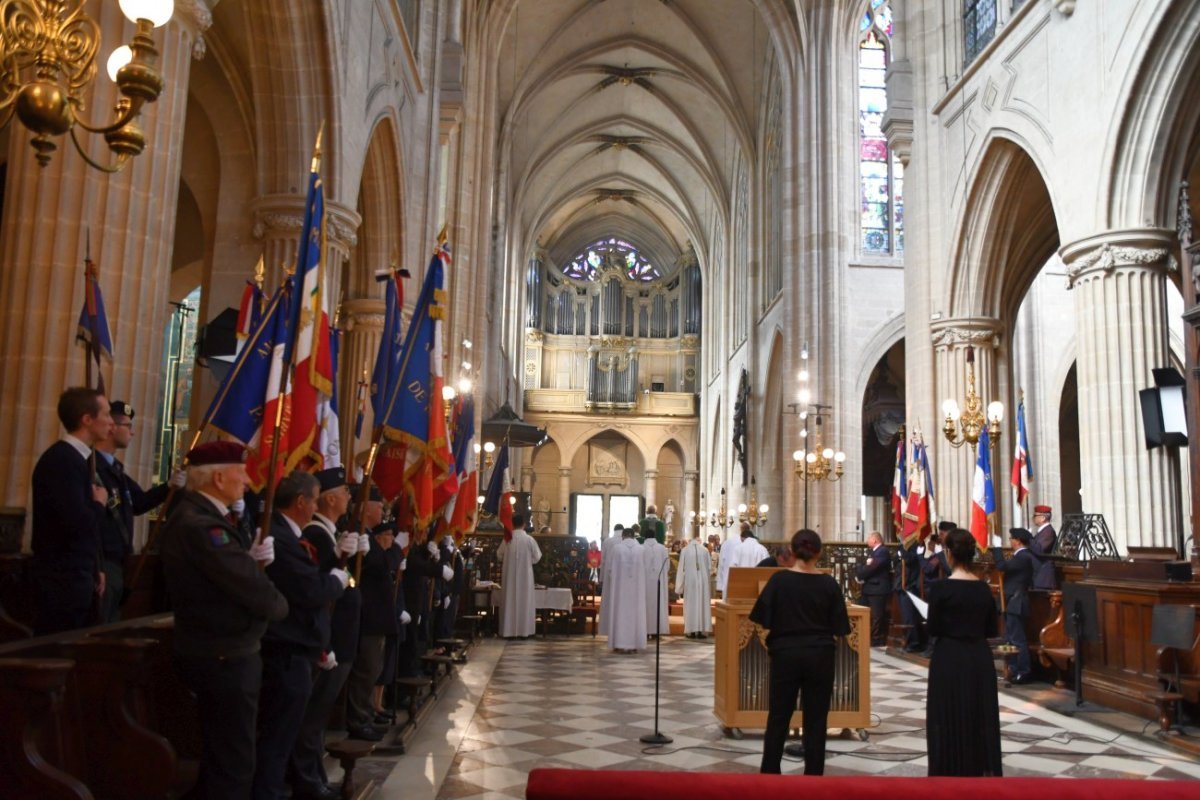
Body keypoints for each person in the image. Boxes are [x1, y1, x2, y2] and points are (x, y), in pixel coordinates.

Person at [160, 441, 287, 800]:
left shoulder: (205, 519)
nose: (247, 480)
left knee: (225, 759)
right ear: (218, 477)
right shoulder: (201, 525)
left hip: (225, 652)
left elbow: (228, 574)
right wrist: (274, 599)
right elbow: (255, 592)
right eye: (241, 472)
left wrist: (246, 560)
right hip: (223, 655)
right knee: (233, 764)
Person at [254, 471, 348, 800]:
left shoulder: (285, 535)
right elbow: (309, 587)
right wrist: (337, 579)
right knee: (277, 737)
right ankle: (271, 792)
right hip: (287, 649)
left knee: (283, 733)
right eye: (314, 499)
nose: (315, 505)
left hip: (298, 646)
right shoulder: (279, 536)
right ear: (300, 503)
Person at [290, 467, 366, 800]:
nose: (351, 497)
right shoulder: (317, 535)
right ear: (330, 498)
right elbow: (319, 590)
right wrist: (326, 645)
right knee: (311, 718)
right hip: (326, 639)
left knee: (317, 717)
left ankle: (314, 777)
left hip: (335, 636)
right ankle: (308, 781)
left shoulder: (327, 534)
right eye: (346, 492)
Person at [749, 529, 851, 775]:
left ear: (792, 552)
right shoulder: (829, 584)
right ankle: (813, 777)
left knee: (778, 717)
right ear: (820, 552)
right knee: (816, 720)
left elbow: (762, 619)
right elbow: (841, 627)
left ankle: (770, 774)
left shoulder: (779, 581)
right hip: (820, 656)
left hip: (785, 655)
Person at [30, 387, 113, 634]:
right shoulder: (62, 461)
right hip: (62, 580)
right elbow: (76, 522)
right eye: (107, 414)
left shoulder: (77, 460)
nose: (111, 421)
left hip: (79, 574)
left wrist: (95, 566)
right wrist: (99, 503)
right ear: (87, 420)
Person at [94, 400, 184, 623]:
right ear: (112, 427)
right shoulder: (92, 467)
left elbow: (139, 502)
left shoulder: (115, 469)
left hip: (119, 561)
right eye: (128, 426)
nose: (132, 432)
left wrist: (169, 486)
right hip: (101, 561)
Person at [926, 527, 1002, 776]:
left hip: (948, 656)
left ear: (949, 554)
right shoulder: (983, 589)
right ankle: (978, 770)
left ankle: (948, 770)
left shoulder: (940, 589)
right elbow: (991, 629)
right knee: (978, 716)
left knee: (947, 716)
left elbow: (933, 628)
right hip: (979, 657)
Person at [991, 527, 1036, 684]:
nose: (1010, 541)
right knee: (1010, 639)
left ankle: (1023, 671)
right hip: (1012, 602)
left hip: (1016, 602)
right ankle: (1013, 669)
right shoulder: (1020, 556)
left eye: (1011, 539)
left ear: (1017, 541)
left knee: (1017, 640)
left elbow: (1002, 567)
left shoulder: (1023, 556)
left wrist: (997, 548)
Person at [497, 513, 541, 638]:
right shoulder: (529, 539)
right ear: (524, 525)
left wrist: (508, 561)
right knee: (524, 600)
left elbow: (499, 555)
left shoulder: (507, 539)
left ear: (512, 524)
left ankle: (508, 631)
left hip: (509, 576)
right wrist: (528, 561)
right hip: (525, 576)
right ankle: (524, 631)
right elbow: (537, 556)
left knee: (509, 599)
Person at [606, 527, 648, 653]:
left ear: (623, 536)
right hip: (637, 590)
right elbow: (645, 569)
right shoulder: (641, 549)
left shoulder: (617, 549)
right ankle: (635, 644)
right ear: (634, 536)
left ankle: (619, 643)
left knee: (620, 613)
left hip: (620, 590)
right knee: (636, 614)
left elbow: (609, 569)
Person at [855, 531, 892, 647]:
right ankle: (864, 636)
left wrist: (860, 574)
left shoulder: (882, 551)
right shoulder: (874, 552)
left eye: (868, 538)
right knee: (862, 612)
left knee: (877, 616)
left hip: (878, 588)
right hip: (869, 588)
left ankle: (876, 640)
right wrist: (863, 568)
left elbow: (872, 568)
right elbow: (865, 566)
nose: (867, 540)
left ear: (875, 540)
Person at [675, 530, 712, 639]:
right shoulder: (705, 550)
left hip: (690, 581)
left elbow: (681, 569)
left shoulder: (685, 550)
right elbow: (709, 568)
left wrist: (679, 587)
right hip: (703, 582)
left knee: (691, 605)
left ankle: (690, 631)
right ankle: (701, 631)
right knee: (702, 605)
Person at [642, 529, 670, 638]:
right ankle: (656, 631)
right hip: (658, 582)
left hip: (645, 583)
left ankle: (645, 630)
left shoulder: (641, 548)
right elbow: (667, 566)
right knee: (658, 604)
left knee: (646, 605)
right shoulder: (662, 548)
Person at [1030, 504, 1058, 589]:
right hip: (1038, 575)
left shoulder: (1048, 532)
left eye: (1035, 515)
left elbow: (1039, 549)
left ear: (1043, 518)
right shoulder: (1042, 531)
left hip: (1044, 577)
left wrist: (1028, 539)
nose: (1033, 518)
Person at [715, 531, 741, 599]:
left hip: (727, 581)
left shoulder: (725, 544)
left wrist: (719, 586)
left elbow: (721, 565)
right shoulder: (744, 544)